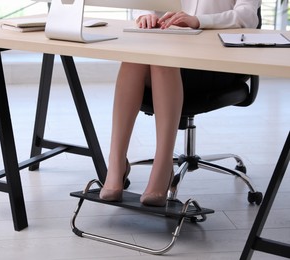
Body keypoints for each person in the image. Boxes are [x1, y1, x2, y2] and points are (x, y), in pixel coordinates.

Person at [99, 0, 261, 206]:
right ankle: (116, 164)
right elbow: (147, 3)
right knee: (135, 58)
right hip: (171, 51)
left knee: (162, 59)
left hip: (217, 63)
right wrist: (146, 15)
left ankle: (163, 166)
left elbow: (247, 17)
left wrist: (197, 21)